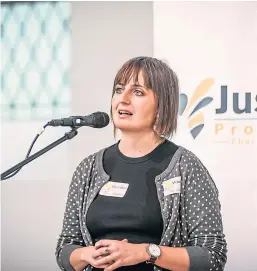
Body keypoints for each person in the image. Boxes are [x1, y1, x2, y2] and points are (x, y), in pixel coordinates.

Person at [55, 56, 227, 271]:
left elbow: (212, 256)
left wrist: (146, 252)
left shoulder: (185, 166)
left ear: (162, 104)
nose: (123, 99)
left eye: (138, 92)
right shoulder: (88, 168)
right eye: (119, 90)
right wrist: (87, 254)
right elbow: (64, 250)